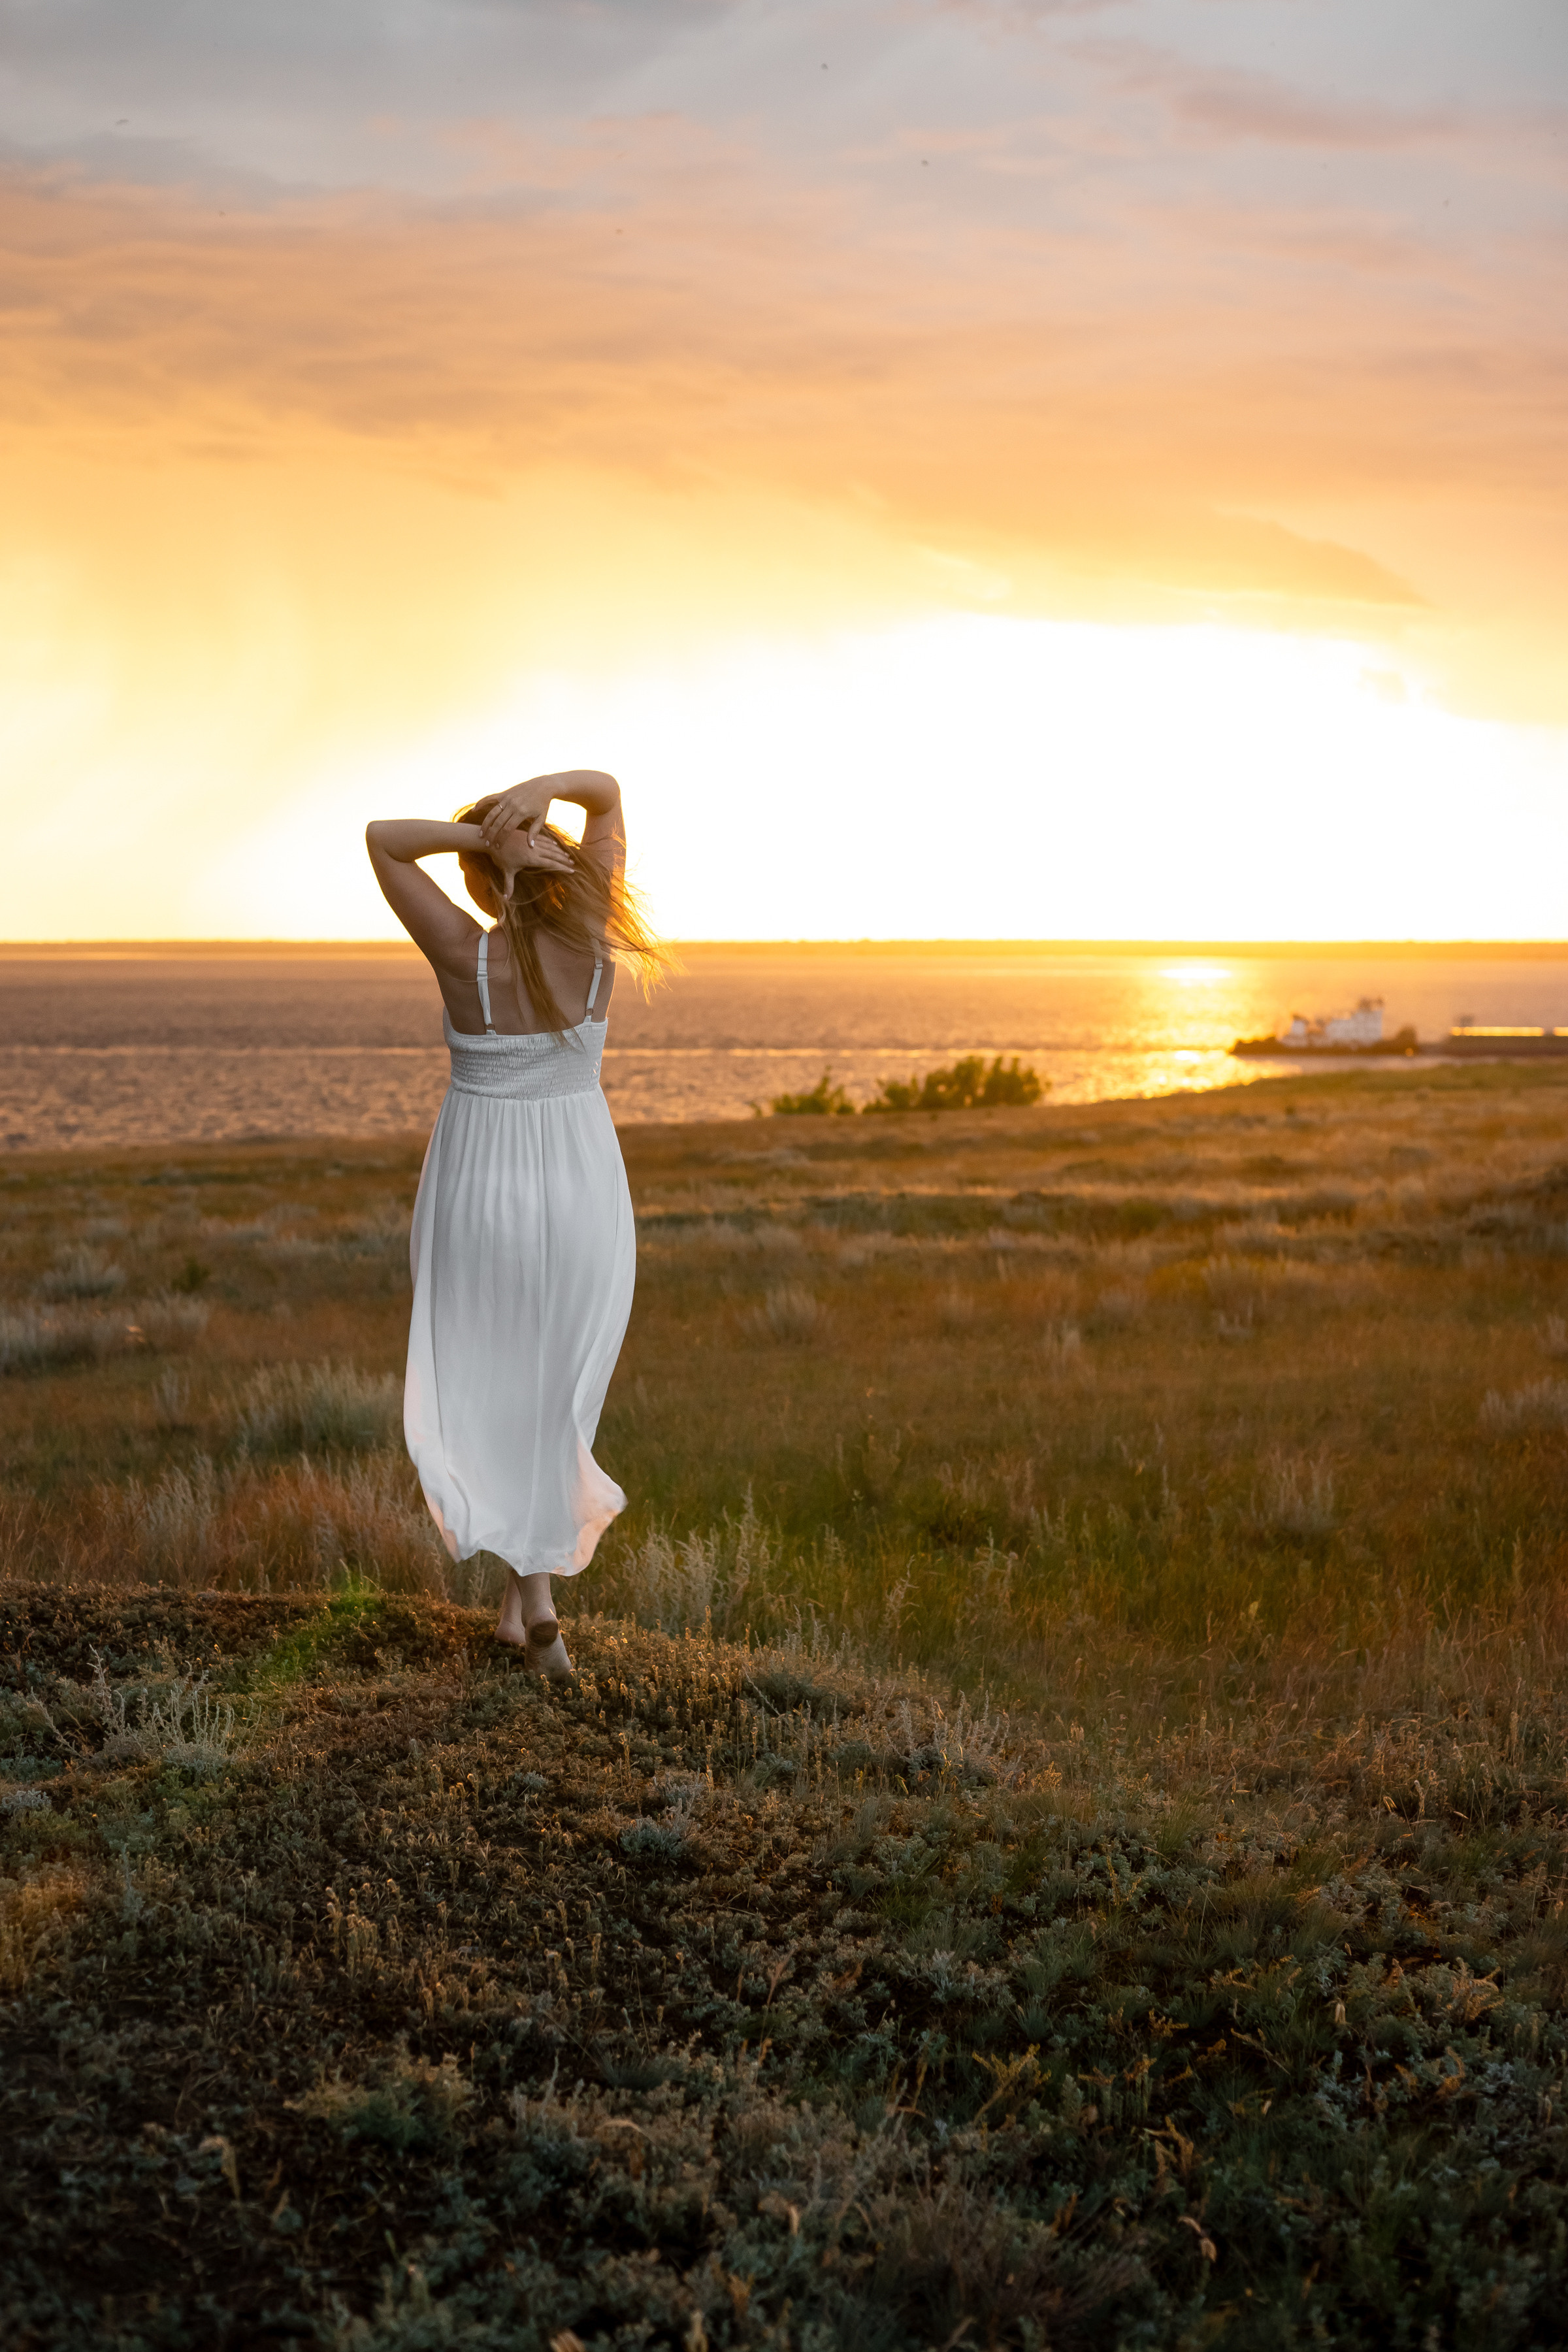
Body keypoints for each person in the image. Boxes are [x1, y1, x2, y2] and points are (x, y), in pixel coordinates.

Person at [366, 770, 659, 1677]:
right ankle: (530, 1607)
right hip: (579, 1186)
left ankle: (530, 1604)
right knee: (552, 1395)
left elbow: (382, 838)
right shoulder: (599, 941)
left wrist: (481, 842)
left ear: (488, 881)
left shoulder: (467, 952)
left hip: (479, 1189)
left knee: (497, 1389)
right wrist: (543, 796)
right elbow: (605, 796)